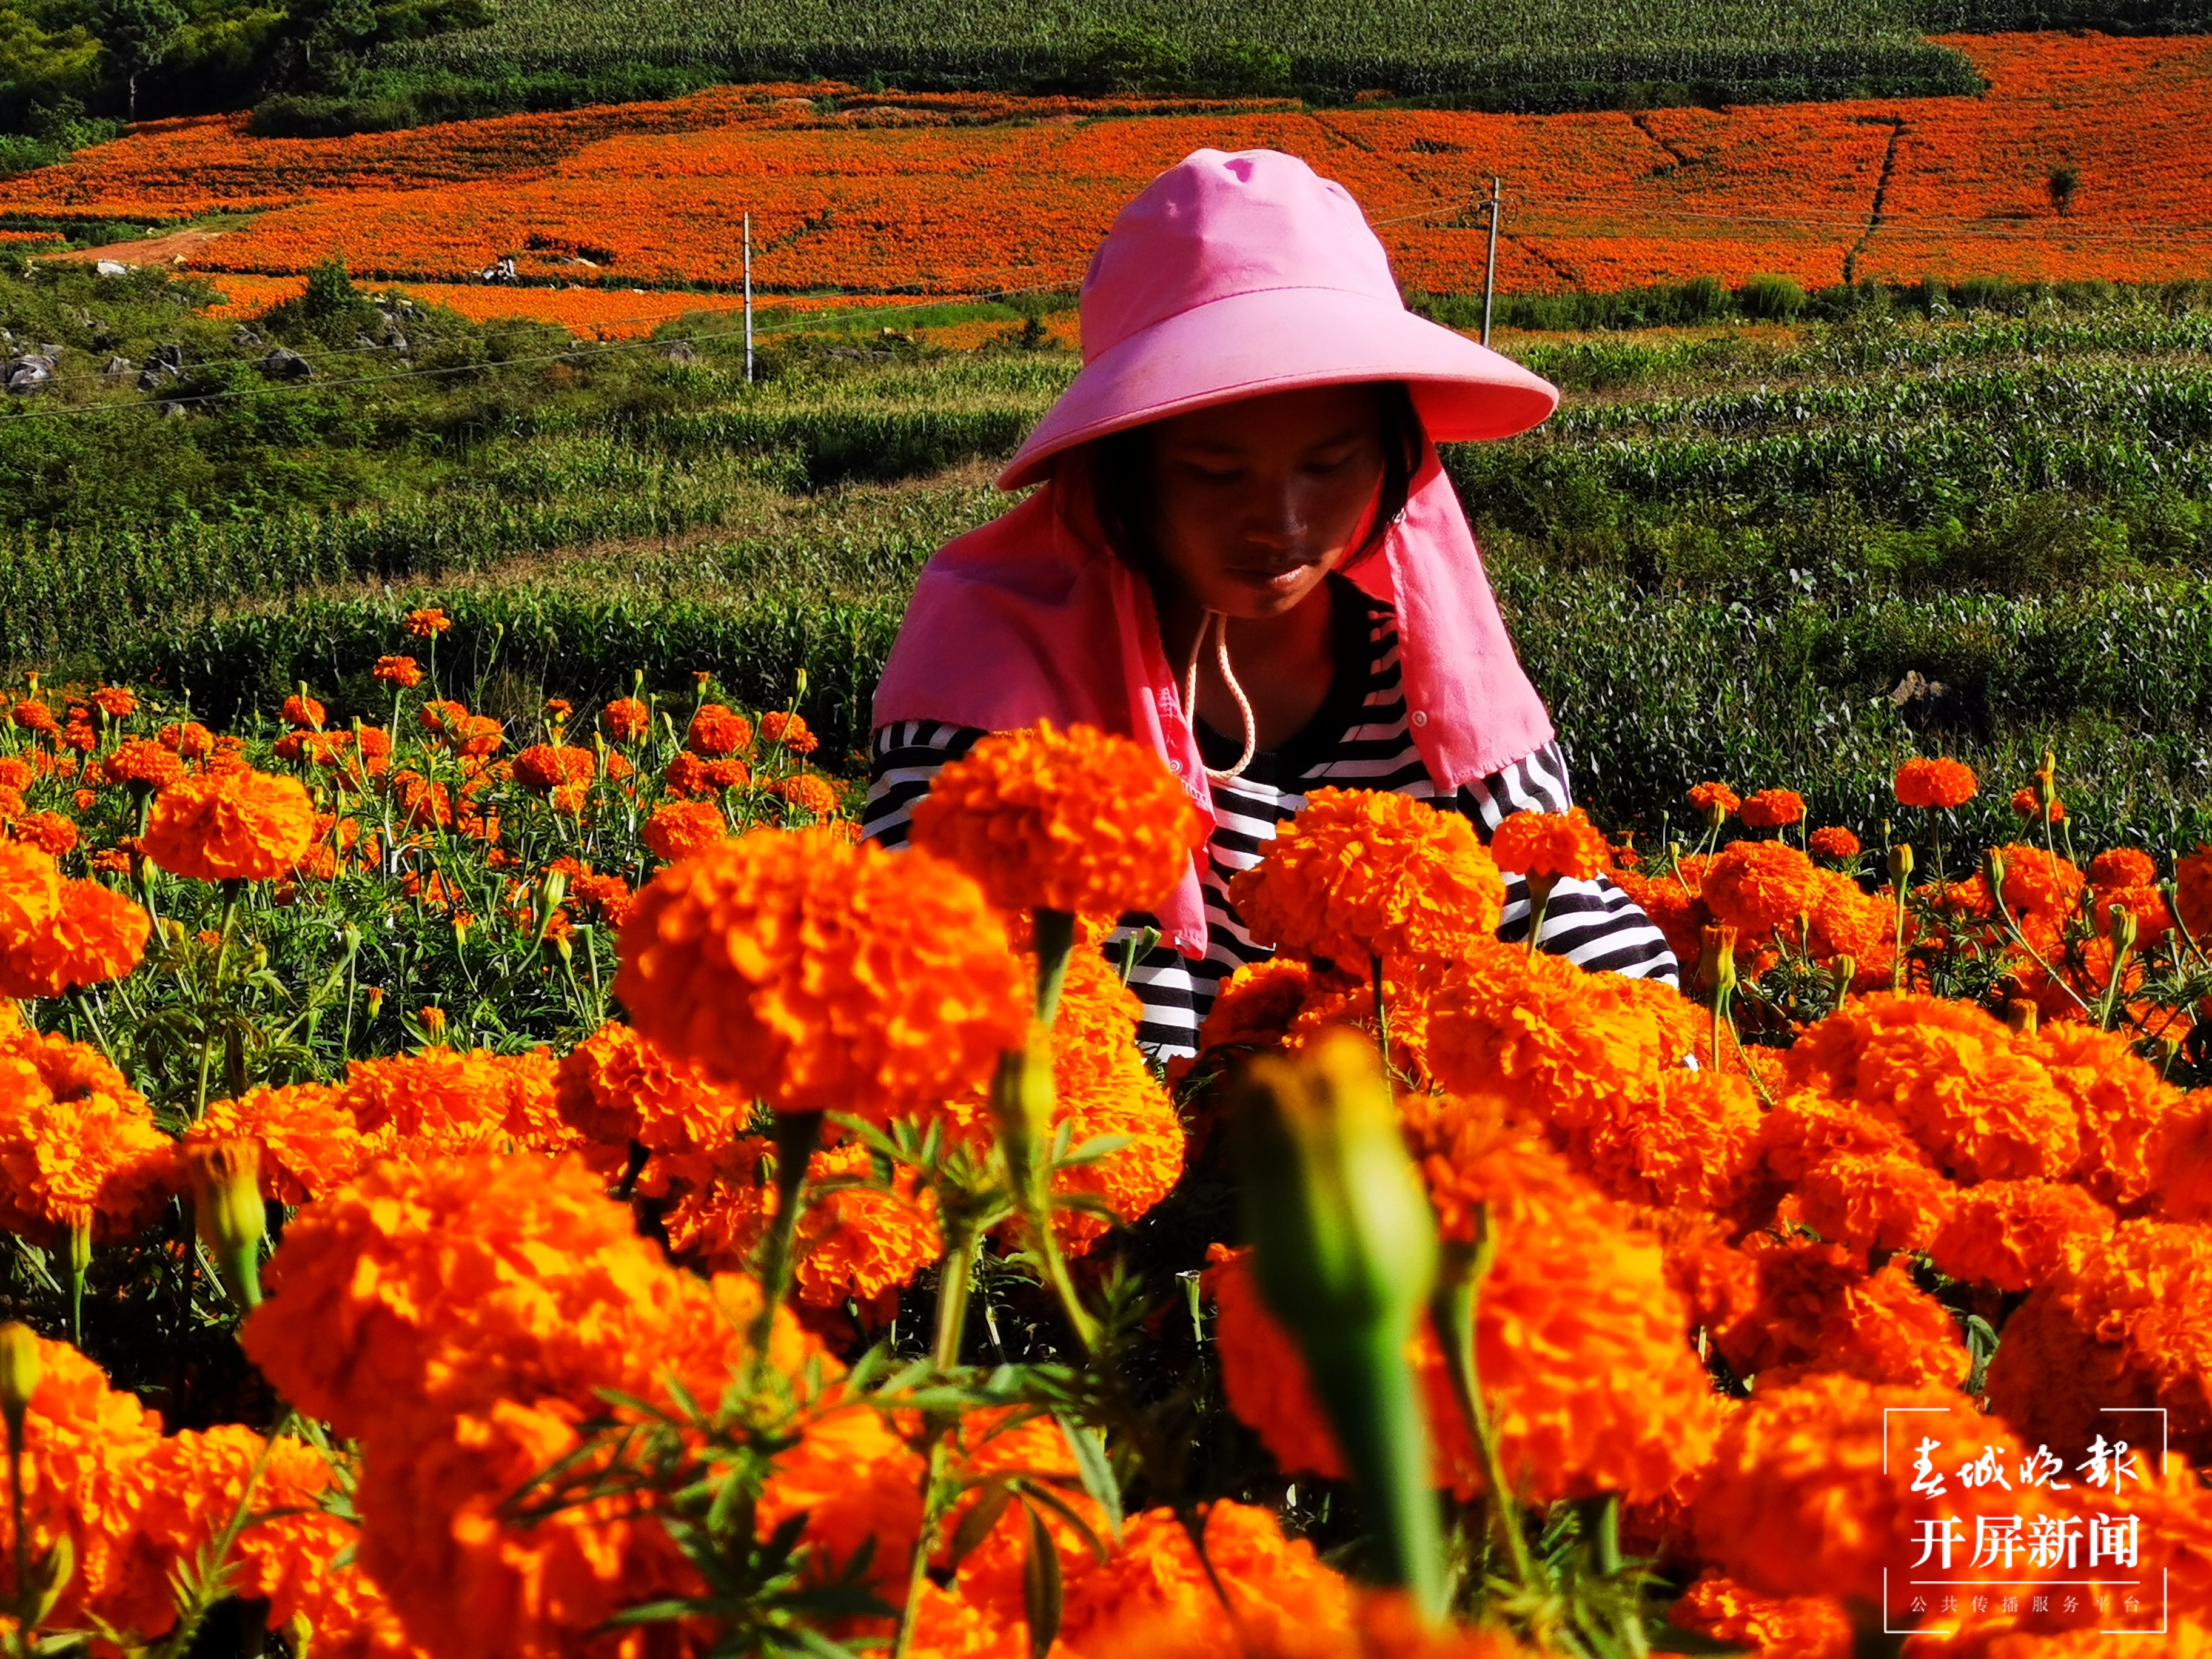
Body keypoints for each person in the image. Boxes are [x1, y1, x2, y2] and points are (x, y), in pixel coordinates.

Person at [863, 148, 1676, 1057]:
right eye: (1217, 474)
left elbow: (1583, 944)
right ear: (1118, 470)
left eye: (1329, 467)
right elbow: (912, 981)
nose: (1281, 525)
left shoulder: (1437, 687)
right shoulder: (996, 686)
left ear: (1395, 456)